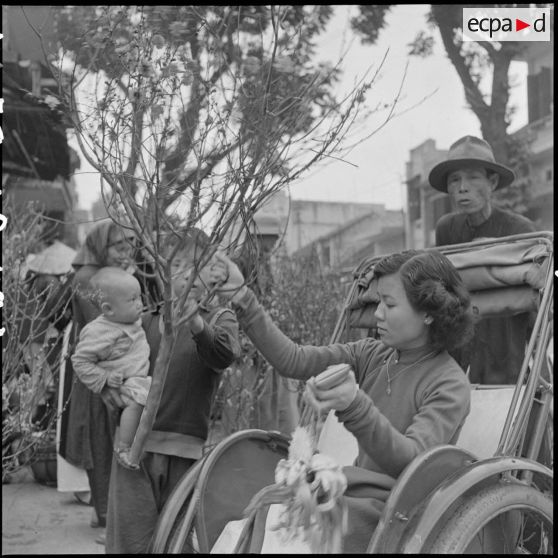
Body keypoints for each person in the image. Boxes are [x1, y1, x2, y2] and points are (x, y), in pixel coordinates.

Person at [213, 248, 475, 553]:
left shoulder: (449, 383)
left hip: (394, 515)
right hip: (348, 494)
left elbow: (412, 462)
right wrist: (243, 297)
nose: (377, 313)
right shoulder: (373, 354)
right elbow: (293, 360)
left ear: (429, 313)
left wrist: (354, 404)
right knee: (259, 521)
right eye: (377, 301)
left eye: (389, 304)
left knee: (286, 532)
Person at [105, 229, 241, 554]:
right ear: (163, 270)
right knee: (131, 540)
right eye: (179, 264)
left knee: (177, 541)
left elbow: (223, 355)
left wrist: (196, 324)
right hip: (135, 452)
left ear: (214, 271)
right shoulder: (147, 319)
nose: (190, 273)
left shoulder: (220, 318)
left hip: (186, 454)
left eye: (200, 263)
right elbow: (114, 364)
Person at [59, 219, 159, 542]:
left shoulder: (107, 277)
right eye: (118, 245)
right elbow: (106, 328)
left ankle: (103, 514)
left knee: (104, 444)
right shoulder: (89, 279)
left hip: (111, 370)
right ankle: (107, 520)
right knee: (104, 446)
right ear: (101, 247)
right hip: (103, 375)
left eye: (128, 244)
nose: (125, 251)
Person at [429, 135, 537, 384]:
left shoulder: (520, 230)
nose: (462, 187)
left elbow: (544, 289)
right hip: (461, 342)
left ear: (492, 182)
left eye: (472, 177)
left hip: (507, 345)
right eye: (454, 179)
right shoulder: (447, 229)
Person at [71, 267, 151, 469]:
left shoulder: (127, 319)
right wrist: (105, 377)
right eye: (132, 300)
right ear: (108, 309)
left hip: (137, 378)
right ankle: (124, 447)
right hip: (124, 382)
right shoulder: (101, 332)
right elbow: (80, 361)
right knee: (138, 402)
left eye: (140, 297)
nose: (140, 304)